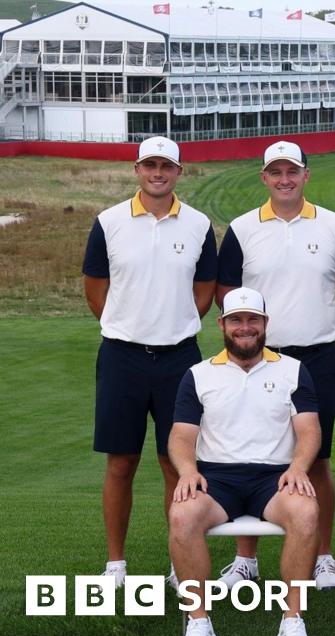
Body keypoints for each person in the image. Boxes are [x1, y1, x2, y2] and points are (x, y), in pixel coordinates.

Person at [215, 141, 335, 592]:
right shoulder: (241, 229)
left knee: (316, 460)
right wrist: (249, 341)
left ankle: (324, 556)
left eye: (292, 171)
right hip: (258, 360)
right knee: (253, 456)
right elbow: (228, 295)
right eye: (275, 172)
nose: (284, 179)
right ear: (264, 178)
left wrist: (325, 318)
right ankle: (245, 558)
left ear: (305, 175)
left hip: (317, 355)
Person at [82, 135, 217, 587]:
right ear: (137, 169)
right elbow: (95, 288)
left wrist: (170, 324)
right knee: (120, 462)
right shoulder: (109, 221)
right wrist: (130, 326)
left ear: (179, 172)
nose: (158, 173)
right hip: (122, 356)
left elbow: (203, 292)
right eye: (149, 165)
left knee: (175, 464)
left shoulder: (198, 225)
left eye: (167, 166)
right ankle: (116, 565)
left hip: (179, 359)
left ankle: (179, 562)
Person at [167, 288, 321, 636]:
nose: (245, 327)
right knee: (182, 514)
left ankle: (292, 620)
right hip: (216, 478)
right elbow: (181, 435)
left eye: (253, 319)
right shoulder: (198, 374)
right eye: (236, 320)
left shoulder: (293, 370)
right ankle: (199, 622)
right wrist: (187, 471)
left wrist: (298, 468)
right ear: (222, 324)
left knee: (305, 512)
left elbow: (309, 430)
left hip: (274, 478)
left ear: (265, 324)